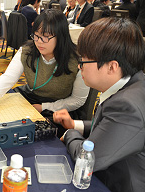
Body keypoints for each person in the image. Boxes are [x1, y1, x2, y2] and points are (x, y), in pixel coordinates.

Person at [53, 17, 145, 192]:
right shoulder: (132, 83)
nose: (80, 67)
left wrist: (70, 133)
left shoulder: (127, 106)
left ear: (112, 67)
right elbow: (110, 127)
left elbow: (89, 158)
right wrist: (75, 124)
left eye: (84, 61)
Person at [0, 10, 89, 135]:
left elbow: (77, 100)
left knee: (38, 132)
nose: (39, 42)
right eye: (36, 35)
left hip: (59, 107)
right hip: (31, 95)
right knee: (4, 114)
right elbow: (8, 77)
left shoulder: (77, 60)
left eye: (45, 37)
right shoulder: (27, 51)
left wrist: (44, 107)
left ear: (61, 36)